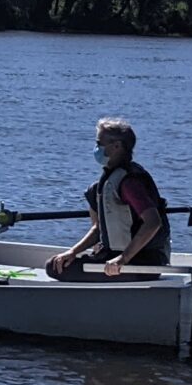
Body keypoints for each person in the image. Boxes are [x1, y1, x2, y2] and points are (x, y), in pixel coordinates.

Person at [49, 118, 171, 277]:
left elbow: (153, 222)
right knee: (57, 263)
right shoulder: (108, 180)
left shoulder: (129, 183)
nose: (96, 148)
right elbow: (99, 228)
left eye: (99, 143)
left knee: (52, 269)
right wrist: (73, 252)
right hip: (114, 255)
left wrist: (122, 259)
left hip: (141, 262)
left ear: (117, 146)